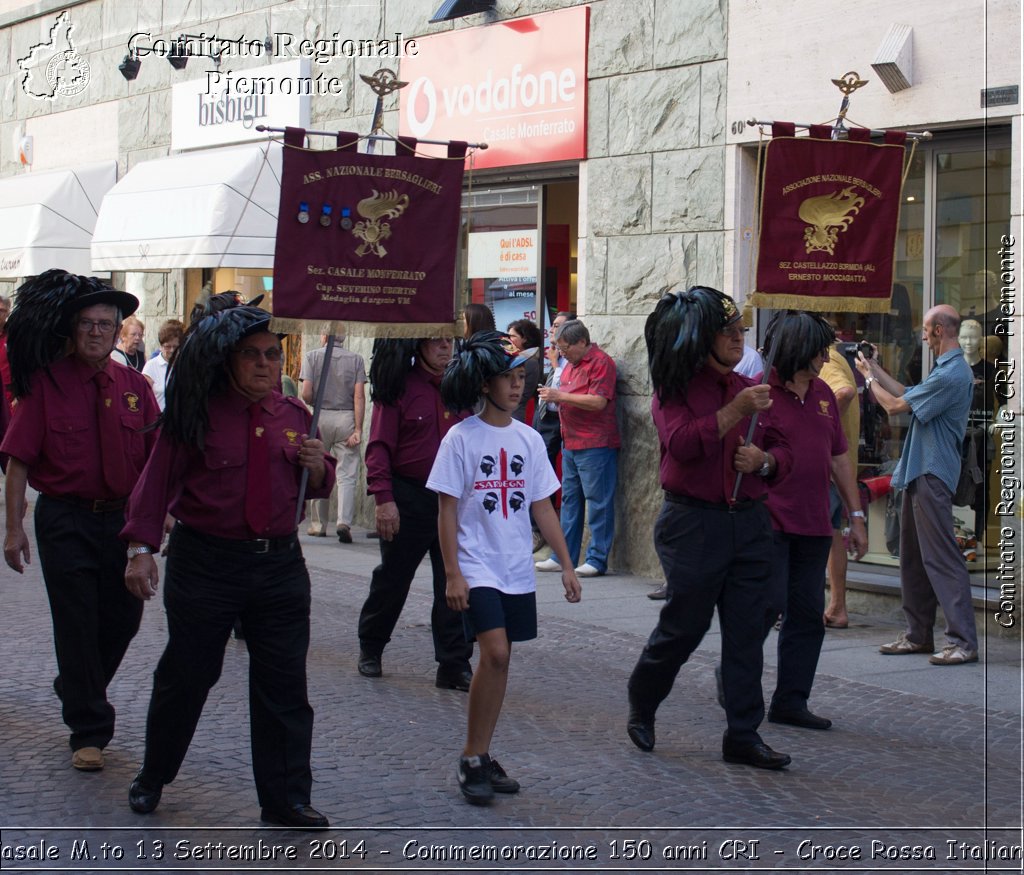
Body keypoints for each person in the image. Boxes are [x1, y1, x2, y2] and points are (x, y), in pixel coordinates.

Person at [121, 303, 336, 830]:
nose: (264, 364)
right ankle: (154, 774)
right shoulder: (196, 414)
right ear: (227, 360)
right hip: (206, 566)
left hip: (279, 566)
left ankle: (285, 798)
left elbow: (320, 484)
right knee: (188, 675)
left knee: (284, 686)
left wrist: (320, 465)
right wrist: (139, 549)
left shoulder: (293, 416)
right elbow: (155, 484)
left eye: (271, 354)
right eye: (251, 355)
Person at [626, 286, 793, 770]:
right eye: (728, 331)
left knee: (747, 630)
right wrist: (735, 414)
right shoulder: (675, 389)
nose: (738, 338)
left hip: (749, 520)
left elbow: (787, 451)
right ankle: (644, 700)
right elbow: (681, 444)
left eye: (740, 329)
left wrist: (765, 462)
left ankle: (743, 733)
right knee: (685, 627)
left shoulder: (749, 390)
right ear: (702, 337)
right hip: (693, 523)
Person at [1, 270, 159, 772]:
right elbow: (18, 461)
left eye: (105, 325)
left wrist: (162, 518)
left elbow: (159, 462)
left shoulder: (137, 387)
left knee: (124, 618)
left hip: (122, 522)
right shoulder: (45, 384)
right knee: (76, 622)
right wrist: (12, 527)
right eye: (87, 323)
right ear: (73, 331)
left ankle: (76, 684)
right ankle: (88, 730)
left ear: (118, 332)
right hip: (64, 519)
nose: (96, 332)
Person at [427, 331, 581, 804]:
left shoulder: (530, 439)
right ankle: (472, 756)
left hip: (515, 565)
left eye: (520, 378)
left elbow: (543, 507)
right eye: (507, 378)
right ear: (483, 384)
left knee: (503, 658)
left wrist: (568, 564)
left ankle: (482, 751)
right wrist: (453, 573)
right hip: (477, 566)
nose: (517, 387)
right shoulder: (460, 438)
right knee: (493, 652)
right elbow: (447, 510)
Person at [758, 312, 867, 731]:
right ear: (798, 350)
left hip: (814, 523)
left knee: (807, 616)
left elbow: (838, 457)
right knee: (766, 607)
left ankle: (791, 700)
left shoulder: (822, 392)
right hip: (768, 523)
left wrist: (855, 517)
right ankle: (737, 679)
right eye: (820, 350)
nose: (826, 357)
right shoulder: (758, 393)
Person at [856, 305, 979, 665]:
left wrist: (867, 380)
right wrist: (874, 367)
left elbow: (895, 405)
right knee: (912, 559)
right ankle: (917, 635)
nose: (922, 336)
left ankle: (962, 642)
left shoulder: (952, 373)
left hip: (931, 472)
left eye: (926, 330)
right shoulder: (944, 370)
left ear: (939, 330)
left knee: (941, 558)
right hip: (918, 471)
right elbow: (908, 393)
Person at [356, 337, 475, 690]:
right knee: (393, 579)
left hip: (451, 500)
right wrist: (383, 499)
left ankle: (454, 663)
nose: (445, 349)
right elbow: (378, 447)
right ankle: (371, 647)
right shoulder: (399, 388)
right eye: (435, 343)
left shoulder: (458, 387)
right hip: (409, 496)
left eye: (448, 343)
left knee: (453, 582)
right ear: (418, 346)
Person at [535, 319, 620, 577]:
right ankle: (563, 555)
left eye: (565, 348)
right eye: (559, 348)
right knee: (571, 502)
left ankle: (596, 558)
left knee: (598, 503)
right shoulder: (570, 364)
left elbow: (598, 402)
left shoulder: (601, 362)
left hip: (595, 443)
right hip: (571, 441)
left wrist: (559, 396)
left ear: (582, 342)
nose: (562, 353)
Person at [300, 333, 367, 543]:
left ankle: (319, 525)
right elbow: (359, 396)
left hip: (321, 415)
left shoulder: (312, 357)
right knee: (346, 474)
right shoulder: (356, 359)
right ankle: (343, 522)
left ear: (323, 337)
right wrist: (358, 428)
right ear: (343, 337)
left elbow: (306, 393)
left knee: (318, 467)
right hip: (346, 416)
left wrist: (318, 400)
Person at [819, 339, 861, 629]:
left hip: (830, 465)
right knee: (831, 536)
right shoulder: (830, 357)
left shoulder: (828, 359)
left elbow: (844, 392)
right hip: (834, 463)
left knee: (828, 536)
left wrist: (815, 423)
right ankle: (836, 606)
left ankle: (836, 606)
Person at [140, 319, 184, 412]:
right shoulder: (151, 366)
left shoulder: (185, 365)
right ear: (161, 346)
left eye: (175, 347)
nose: (172, 350)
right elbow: (143, 398)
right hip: (158, 420)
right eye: (168, 346)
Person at [505, 318, 543, 424]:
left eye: (512, 336)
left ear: (525, 339)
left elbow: (521, 396)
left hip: (514, 415)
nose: (508, 339)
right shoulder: (514, 358)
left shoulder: (530, 362)